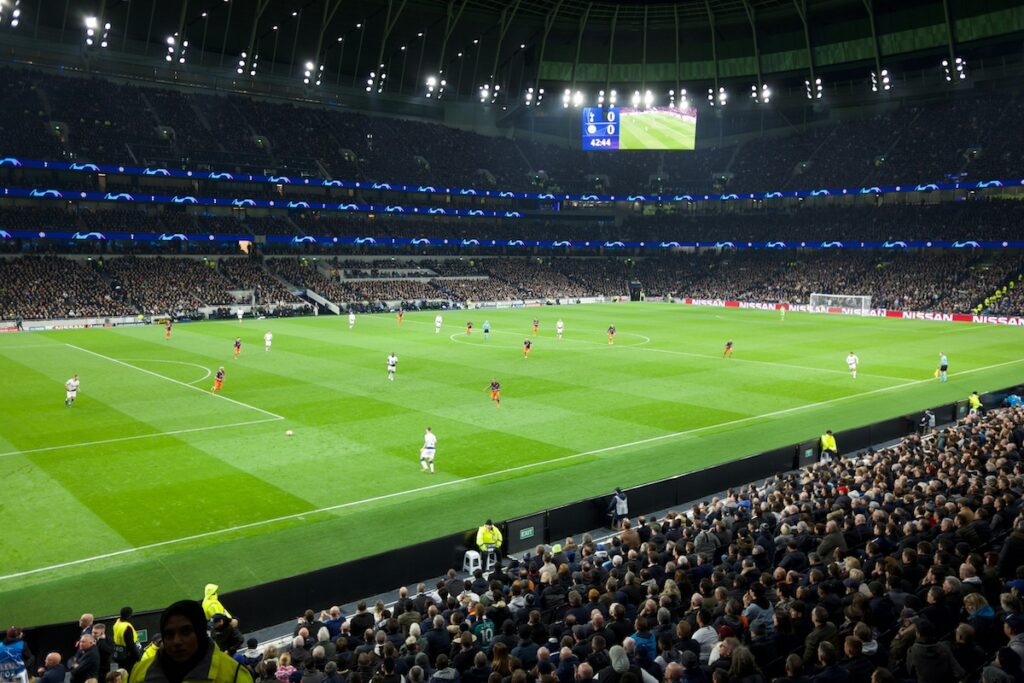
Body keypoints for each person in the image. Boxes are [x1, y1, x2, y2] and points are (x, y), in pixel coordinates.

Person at [127, 599, 254, 683]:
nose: (176, 641)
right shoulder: (138, 673)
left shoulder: (234, 675)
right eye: (169, 634)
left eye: (185, 632)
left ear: (200, 633)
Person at [112, 607, 139, 674]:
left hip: (119, 653)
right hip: (128, 656)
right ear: (129, 615)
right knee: (129, 674)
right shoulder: (127, 627)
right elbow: (131, 645)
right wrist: (138, 657)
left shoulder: (117, 623)